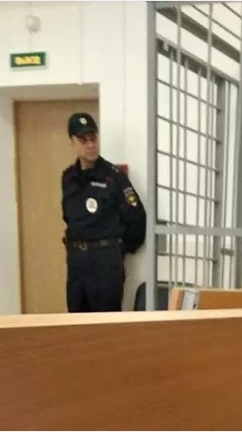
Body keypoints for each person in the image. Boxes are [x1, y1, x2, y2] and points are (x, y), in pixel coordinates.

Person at [61, 112, 146, 313]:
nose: (91, 145)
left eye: (93, 139)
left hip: (105, 261)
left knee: (105, 323)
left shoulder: (113, 177)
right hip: (77, 261)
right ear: (72, 142)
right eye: (84, 140)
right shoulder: (68, 178)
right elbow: (69, 217)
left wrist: (117, 249)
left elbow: (137, 218)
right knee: (76, 320)